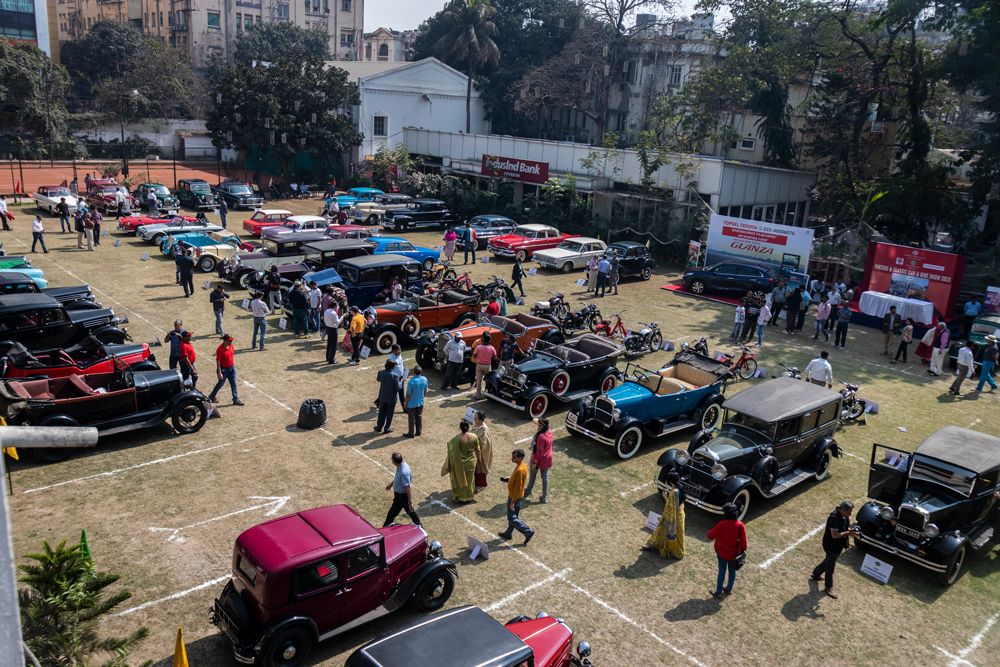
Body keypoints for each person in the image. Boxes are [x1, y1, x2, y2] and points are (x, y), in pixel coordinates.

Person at [811, 501, 858, 599]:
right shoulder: (834, 518)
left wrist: (851, 529)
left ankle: (816, 574)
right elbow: (835, 535)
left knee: (829, 560)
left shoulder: (844, 516)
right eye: (849, 512)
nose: (850, 514)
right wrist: (849, 533)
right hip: (831, 545)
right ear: (842, 510)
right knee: (830, 567)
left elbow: (844, 527)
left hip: (838, 545)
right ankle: (829, 587)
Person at [707, 502, 748, 599]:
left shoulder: (721, 524)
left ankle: (718, 591)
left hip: (721, 553)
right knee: (732, 571)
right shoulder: (740, 526)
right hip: (734, 555)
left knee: (722, 571)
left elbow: (709, 536)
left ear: (725, 514)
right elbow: (744, 545)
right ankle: (729, 588)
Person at [646, 470, 685, 559]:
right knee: (678, 535)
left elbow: (671, 506)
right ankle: (677, 551)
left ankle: (664, 547)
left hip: (671, 517)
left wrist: (665, 497)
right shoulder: (680, 488)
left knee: (664, 531)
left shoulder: (674, 493)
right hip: (680, 515)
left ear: (670, 481)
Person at [498, 449, 534, 545]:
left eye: (515, 457)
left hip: (514, 496)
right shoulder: (522, 466)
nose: (512, 458)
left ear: (521, 457)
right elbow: (518, 481)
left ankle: (527, 531)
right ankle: (508, 533)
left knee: (512, 518)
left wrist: (512, 502)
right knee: (514, 517)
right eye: (512, 456)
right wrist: (508, 479)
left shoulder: (519, 470)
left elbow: (518, 488)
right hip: (517, 496)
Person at [444, 420, 479, 503]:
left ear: (460, 428)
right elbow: (478, 450)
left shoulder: (456, 439)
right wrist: (479, 459)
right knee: (470, 480)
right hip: (471, 462)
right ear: (469, 427)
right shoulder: (474, 436)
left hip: (459, 463)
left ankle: (460, 497)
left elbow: (451, 451)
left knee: (459, 479)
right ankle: (469, 497)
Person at [383, 452, 421, 527]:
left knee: (392, 514)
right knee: (409, 511)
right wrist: (391, 484)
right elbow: (398, 478)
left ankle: (386, 526)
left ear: (394, 461)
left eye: (391, 459)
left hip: (401, 496)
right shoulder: (401, 465)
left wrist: (410, 503)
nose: (391, 460)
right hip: (400, 496)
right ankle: (419, 525)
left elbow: (408, 488)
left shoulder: (403, 472)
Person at [207, 334, 244, 405]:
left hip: (231, 368)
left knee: (233, 384)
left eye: (231, 340)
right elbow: (218, 361)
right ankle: (211, 397)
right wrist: (219, 372)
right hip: (224, 370)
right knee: (220, 384)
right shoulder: (220, 349)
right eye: (229, 340)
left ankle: (235, 399)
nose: (231, 342)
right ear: (225, 340)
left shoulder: (231, 346)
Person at [524, 417, 553, 504]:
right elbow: (535, 420)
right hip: (548, 458)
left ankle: (528, 490)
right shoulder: (549, 431)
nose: (537, 426)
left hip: (538, 458)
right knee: (545, 477)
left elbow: (539, 452)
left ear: (541, 426)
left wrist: (534, 463)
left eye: (539, 425)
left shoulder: (540, 436)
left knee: (533, 474)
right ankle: (544, 497)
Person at [374, 359, 399, 434]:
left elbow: (378, 379)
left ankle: (379, 427)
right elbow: (398, 388)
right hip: (391, 398)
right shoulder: (395, 376)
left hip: (382, 396)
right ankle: (387, 428)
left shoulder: (381, 372)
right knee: (389, 413)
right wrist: (400, 382)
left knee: (381, 412)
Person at [471, 332, 497, 399]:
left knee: (478, 381)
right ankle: (487, 394)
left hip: (479, 365)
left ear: (483, 339)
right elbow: (495, 358)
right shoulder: (492, 348)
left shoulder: (478, 347)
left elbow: (474, 356)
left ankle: (478, 395)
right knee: (488, 380)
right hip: (487, 366)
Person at [404, 365, 427, 437]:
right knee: (419, 416)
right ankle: (418, 431)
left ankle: (411, 433)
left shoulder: (411, 382)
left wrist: (405, 403)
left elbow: (408, 395)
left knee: (411, 418)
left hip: (412, 403)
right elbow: (425, 390)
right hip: (420, 402)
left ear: (414, 372)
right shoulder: (425, 379)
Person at [473, 410, 493, 492]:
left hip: (482, 452)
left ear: (481, 420)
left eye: (476, 418)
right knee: (476, 468)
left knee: (481, 468)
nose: (474, 419)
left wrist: (478, 452)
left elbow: (483, 443)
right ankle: (476, 482)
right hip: (476, 451)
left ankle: (481, 485)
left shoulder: (483, 429)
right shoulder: (476, 425)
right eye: (474, 417)